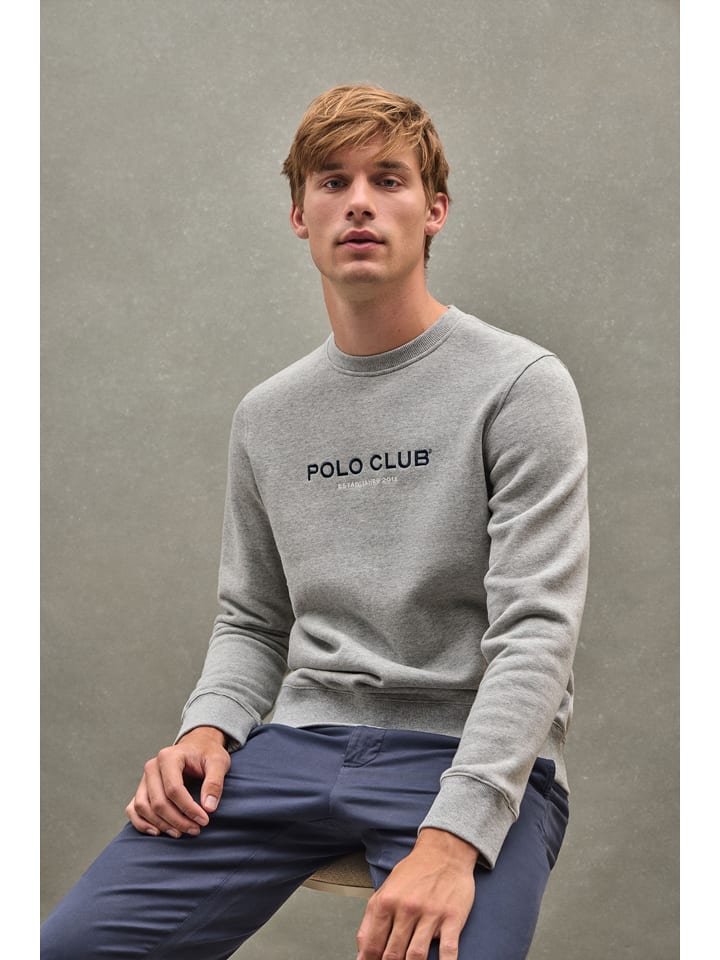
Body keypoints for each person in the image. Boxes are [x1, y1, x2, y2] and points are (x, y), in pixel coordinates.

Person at [41, 84, 589, 960]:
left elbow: (535, 634)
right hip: (292, 749)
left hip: (462, 755)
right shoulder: (268, 414)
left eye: (388, 179)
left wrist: (455, 836)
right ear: (301, 215)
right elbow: (252, 620)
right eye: (333, 181)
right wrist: (205, 730)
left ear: (435, 209)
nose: (359, 202)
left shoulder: (520, 386)